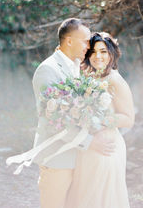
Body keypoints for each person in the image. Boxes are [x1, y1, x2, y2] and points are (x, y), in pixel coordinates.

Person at [32, 19, 116, 208]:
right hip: (57, 160)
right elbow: (53, 121)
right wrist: (91, 142)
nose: (88, 46)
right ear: (69, 41)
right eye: (85, 41)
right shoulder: (48, 70)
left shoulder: (76, 67)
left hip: (78, 158)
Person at [64, 32, 135, 208]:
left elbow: (128, 119)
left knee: (103, 197)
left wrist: (99, 119)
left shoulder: (116, 80)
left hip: (107, 147)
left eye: (103, 51)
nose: (98, 57)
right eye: (93, 52)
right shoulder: (89, 77)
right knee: (84, 195)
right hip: (88, 146)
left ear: (111, 53)